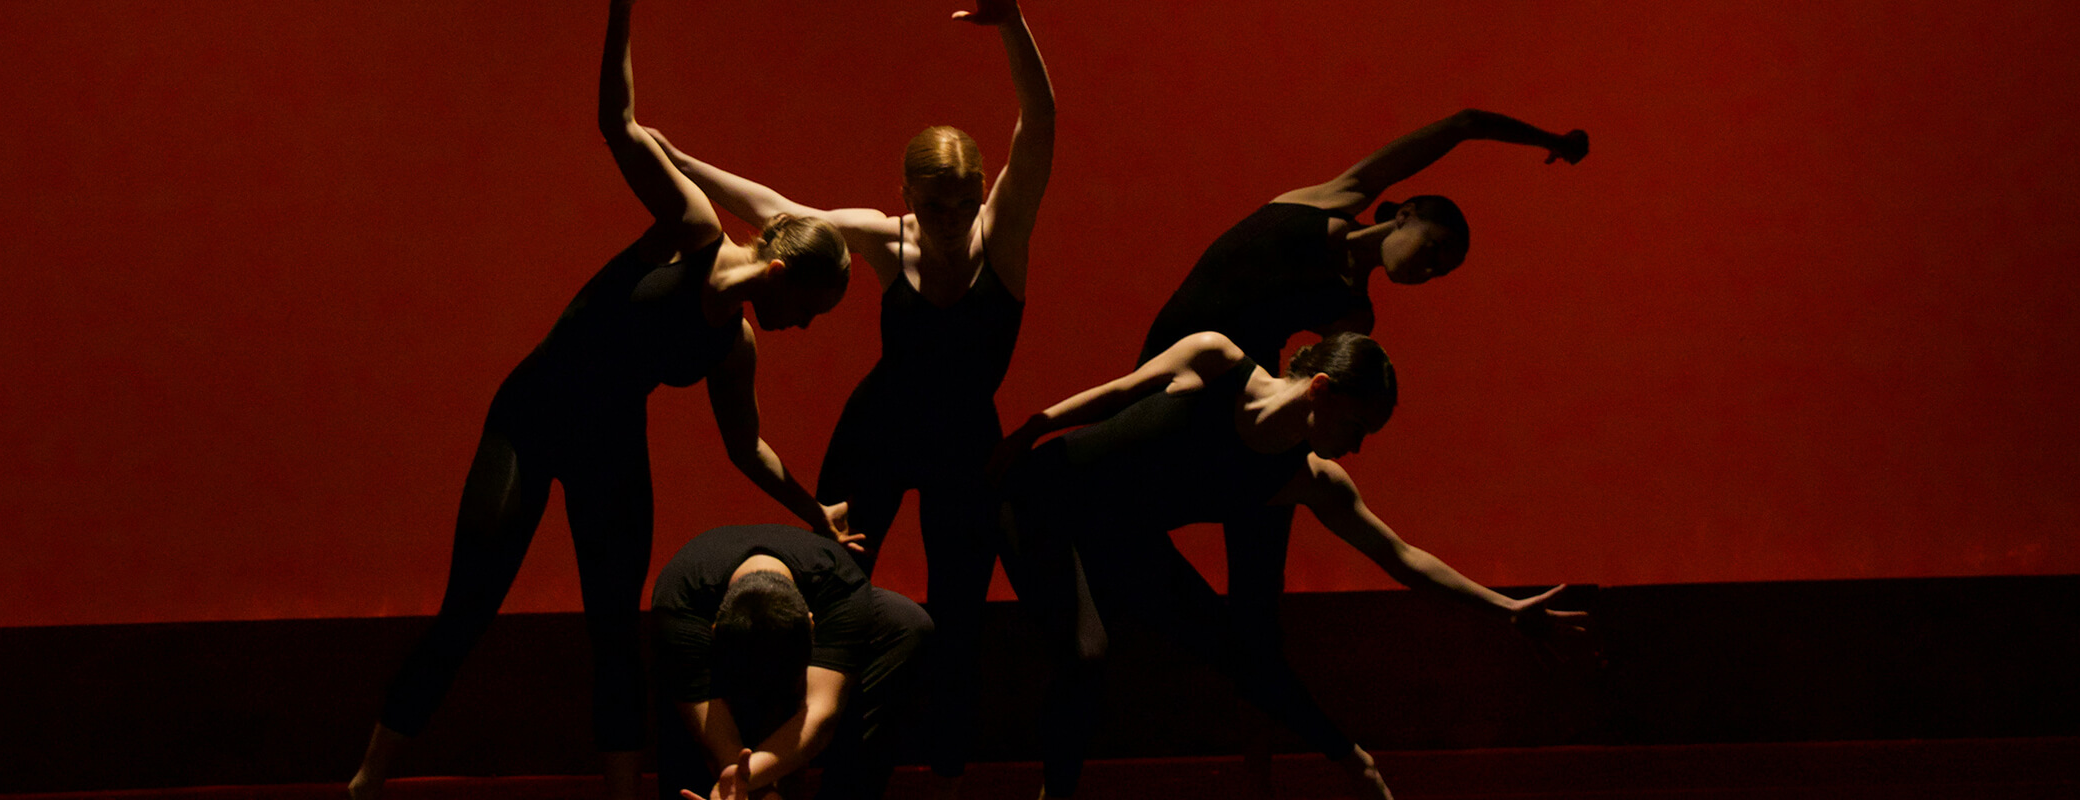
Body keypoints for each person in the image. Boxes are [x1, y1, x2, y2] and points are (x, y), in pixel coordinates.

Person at [347, 3, 853, 798]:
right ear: (784, 275)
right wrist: (621, 9)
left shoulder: (734, 345)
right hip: (531, 418)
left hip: (609, 443)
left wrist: (814, 510)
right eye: (812, 311)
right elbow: (617, 123)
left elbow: (744, 447)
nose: (805, 328)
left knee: (615, 631)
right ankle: (366, 782)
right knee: (469, 607)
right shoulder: (690, 230)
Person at [650, 0, 1053, 788]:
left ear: (981, 193)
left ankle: (943, 767)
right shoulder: (885, 236)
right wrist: (681, 162)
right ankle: (804, 750)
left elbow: (1038, 124)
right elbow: (779, 213)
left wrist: (1012, 23)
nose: (949, 220)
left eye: (963, 203)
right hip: (879, 429)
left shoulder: (1003, 234)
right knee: (832, 579)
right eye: (933, 205)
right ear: (906, 193)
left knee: (958, 607)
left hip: (966, 443)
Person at [1135, 108, 1587, 786]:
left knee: (1258, 614)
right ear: (1404, 212)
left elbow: (1330, 394)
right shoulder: (1334, 198)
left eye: (1442, 271)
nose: (1431, 268)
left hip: (1233, 408)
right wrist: (1549, 139)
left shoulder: (1353, 316)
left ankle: (1259, 776)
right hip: (1166, 379)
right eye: (1436, 248)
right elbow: (1462, 124)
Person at [990, 331, 1589, 800]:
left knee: (1237, 651)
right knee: (1085, 655)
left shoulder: (1309, 480)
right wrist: (1026, 433)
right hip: (1038, 499)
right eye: (1357, 426)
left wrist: (1508, 609)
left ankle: (1355, 762)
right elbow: (1118, 392)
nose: (1357, 446)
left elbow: (1402, 557)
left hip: (1119, 536)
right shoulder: (1215, 360)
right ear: (1321, 389)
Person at [652, 524, 931, 800]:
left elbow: (820, 717)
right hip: (713, 659)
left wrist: (745, 780)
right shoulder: (679, 603)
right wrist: (739, 783)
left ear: (812, 624)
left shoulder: (839, 584)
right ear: (714, 631)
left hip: (818, 625)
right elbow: (722, 746)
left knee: (905, 622)